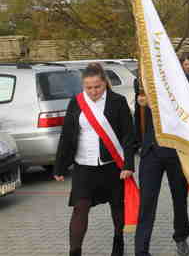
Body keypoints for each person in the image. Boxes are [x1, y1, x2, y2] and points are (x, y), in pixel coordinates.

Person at [53, 63, 136, 256]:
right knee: (80, 209)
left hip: (112, 166)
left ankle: (118, 244)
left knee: (117, 208)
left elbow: (128, 136)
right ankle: (74, 252)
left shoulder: (118, 101)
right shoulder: (76, 102)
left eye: (97, 87)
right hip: (84, 166)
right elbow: (67, 135)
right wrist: (60, 166)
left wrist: (128, 165)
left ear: (105, 83)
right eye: (88, 87)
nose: (93, 91)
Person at [133, 79, 189, 256]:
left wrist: (153, 104)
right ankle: (141, 250)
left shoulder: (175, 78)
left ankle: (181, 237)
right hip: (150, 151)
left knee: (179, 198)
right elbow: (138, 118)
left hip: (175, 151)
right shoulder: (141, 81)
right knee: (146, 203)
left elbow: (184, 112)